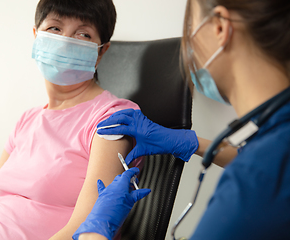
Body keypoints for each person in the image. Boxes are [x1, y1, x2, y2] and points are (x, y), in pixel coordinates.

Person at [72, 0, 290, 239]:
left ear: (219, 27)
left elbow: (264, 169)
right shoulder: (276, 141)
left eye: (190, 27)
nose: (188, 47)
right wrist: (191, 142)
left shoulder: (255, 180)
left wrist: (95, 231)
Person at [0, 0, 143, 239]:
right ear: (36, 35)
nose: (66, 41)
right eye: (55, 29)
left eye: (83, 34)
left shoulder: (113, 118)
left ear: (101, 51)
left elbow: (85, 231)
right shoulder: (26, 121)